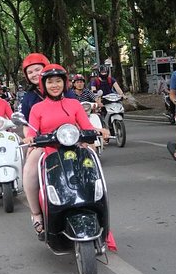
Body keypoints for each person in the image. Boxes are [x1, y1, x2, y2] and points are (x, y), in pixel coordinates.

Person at [22, 64, 110, 239]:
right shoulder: (37, 108)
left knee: (91, 156)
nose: (55, 85)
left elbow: (86, 126)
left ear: (64, 83)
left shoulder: (74, 104)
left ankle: (96, 204)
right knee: (30, 167)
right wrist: (29, 138)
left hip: (73, 145)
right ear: (44, 85)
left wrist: (99, 130)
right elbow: (31, 132)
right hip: (47, 148)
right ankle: (37, 214)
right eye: (50, 82)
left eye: (58, 81)